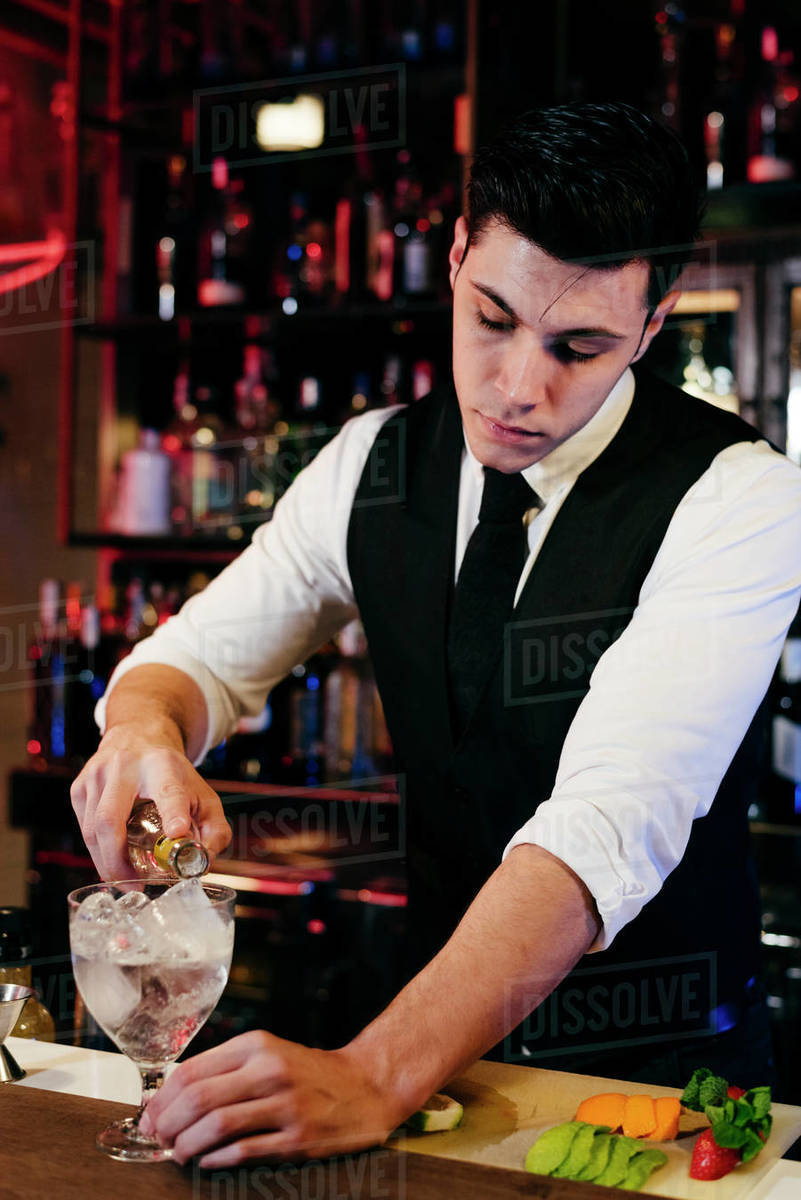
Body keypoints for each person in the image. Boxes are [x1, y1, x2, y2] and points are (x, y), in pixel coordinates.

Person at [72, 101, 801, 1167]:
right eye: (492, 318)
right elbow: (195, 657)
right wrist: (144, 729)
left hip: (661, 1098)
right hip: (442, 1085)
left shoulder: (741, 500)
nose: (518, 388)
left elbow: (606, 824)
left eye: (579, 346)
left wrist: (371, 1073)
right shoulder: (374, 465)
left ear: (654, 324)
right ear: (456, 258)